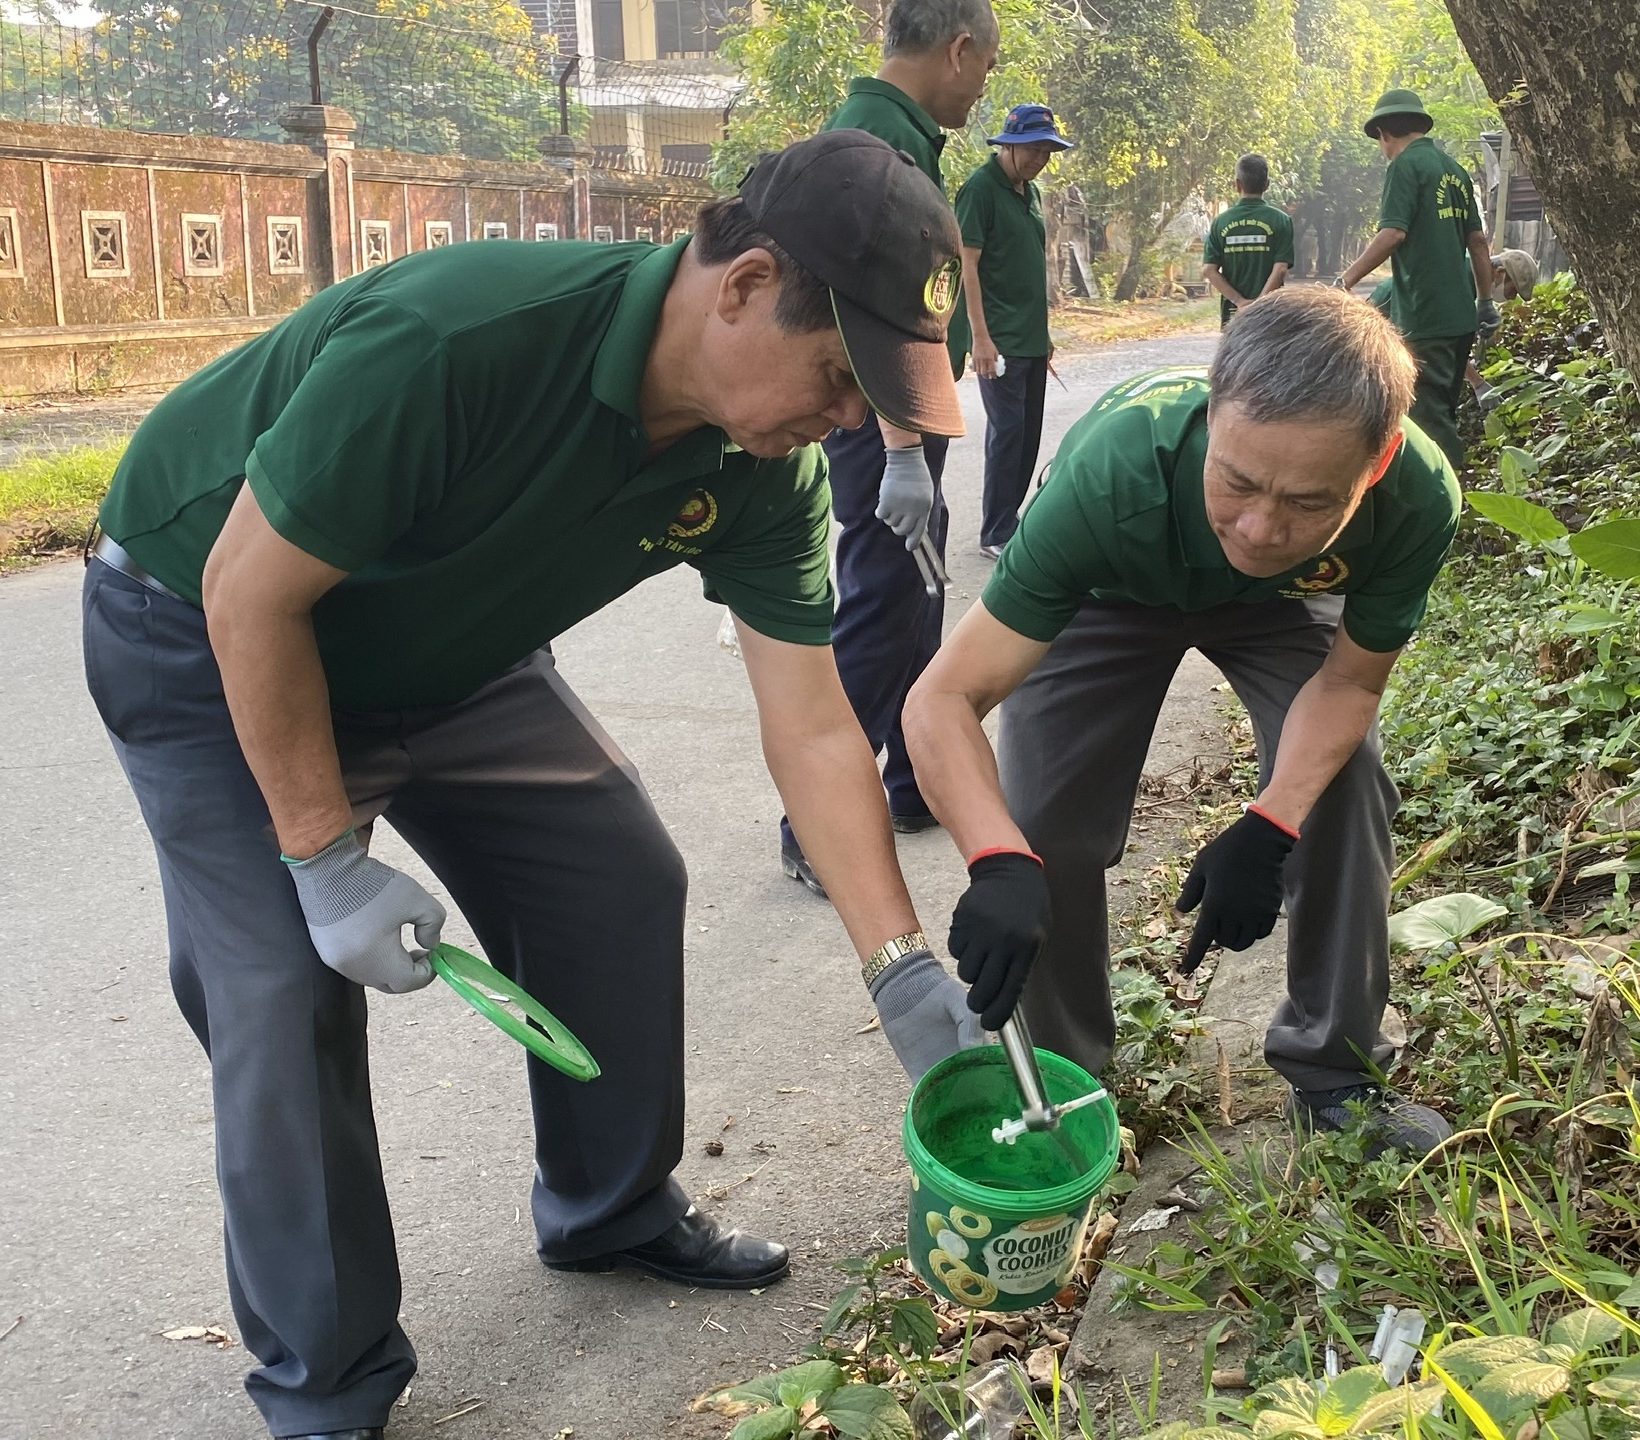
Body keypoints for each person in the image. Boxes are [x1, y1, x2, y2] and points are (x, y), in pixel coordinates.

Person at [83, 132, 987, 1440]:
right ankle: (326, 1387)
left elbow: (814, 731)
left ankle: (609, 1205)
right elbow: (250, 594)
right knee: (283, 985)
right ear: (742, 286)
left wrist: (898, 966)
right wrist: (326, 858)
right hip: (203, 627)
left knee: (618, 878)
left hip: (450, 654)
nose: (848, 423)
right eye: (842, 378)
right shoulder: (462, 342)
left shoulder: (759, 466)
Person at [901, 287, 1466, 1159]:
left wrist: (1271, 823)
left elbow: (1350, 686)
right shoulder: (1113, 473)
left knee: (1345, 784)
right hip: (1111, 589)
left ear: (1379, 460)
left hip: (1283, 604)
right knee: (1043, 828)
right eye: (1237, 480)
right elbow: (942, 699)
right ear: (1212, 415)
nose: (1260, 525)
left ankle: (1336, 1071)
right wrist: (996, 858)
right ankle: (1062, 1090)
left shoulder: (1419, 496)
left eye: (1309, 501)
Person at [783, 0, 1001, 896]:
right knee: (882, 600)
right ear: (958, 50)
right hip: (882, 420)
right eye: (987, 64)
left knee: (919, 594)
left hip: (908, 414)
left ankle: (912, 783)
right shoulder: (876, 138)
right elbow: (863, 303)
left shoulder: (898, 129)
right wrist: (901, 446)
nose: (985, 83)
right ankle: (815, 822)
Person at [1337, 88, 1498, 471]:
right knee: (1444, 407)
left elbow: (1393, 234)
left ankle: (1450, 504)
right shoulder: (1455, 171)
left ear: (1384, 133)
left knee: (1428, 420)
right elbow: (1477, 240)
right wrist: (1486, 301)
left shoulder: (1405, 167)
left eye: (1380, 141)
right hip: (1461, 318)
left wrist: (1345, 281)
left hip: (1425, 316)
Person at [958, 102, 1075, 560]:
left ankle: (1009, 519)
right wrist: (979, 338)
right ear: (1008, 144)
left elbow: (1028, 265)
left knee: (1027, 434)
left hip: (1030, 338)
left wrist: (1043, 333)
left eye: (1047, 150)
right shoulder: (980, 190)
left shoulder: (1032, 192)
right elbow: (967, 265)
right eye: (1032, 149)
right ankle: (994, 531)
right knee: (1006, 433)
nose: (1039, 158)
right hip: (1000, 340)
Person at [1203, 152, 1295, 328]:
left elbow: (1209, 270)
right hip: (1271, 312)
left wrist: (1240, 302)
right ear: (1267, 185)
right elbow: (1281, 269)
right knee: (1270, 355)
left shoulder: (1220, 222)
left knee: (1234, 355)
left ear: (1237, 185)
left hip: (1233, 313)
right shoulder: (1281, 220)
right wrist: (1259, 304)